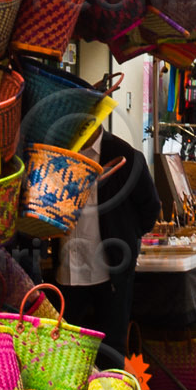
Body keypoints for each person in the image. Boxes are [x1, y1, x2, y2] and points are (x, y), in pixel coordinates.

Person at [57, 126, 161, 353]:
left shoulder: (125, 156)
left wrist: (126, 236)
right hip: (66, 272)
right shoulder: (59, 153)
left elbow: (150, 207)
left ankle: (112, 388)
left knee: (111, 348)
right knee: (65, 349)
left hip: (109, 270)